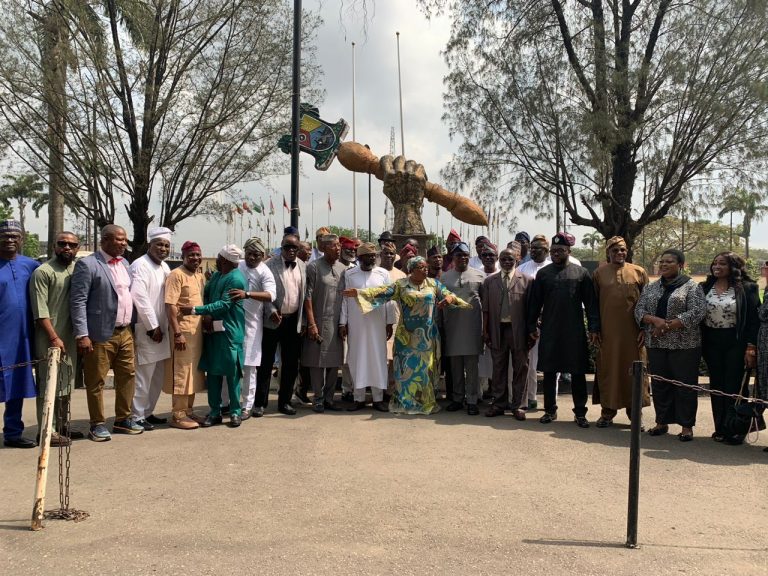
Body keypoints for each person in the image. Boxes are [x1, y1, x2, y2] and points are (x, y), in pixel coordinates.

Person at [343, 256, 470, 415]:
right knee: (405, 371)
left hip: (427, 337)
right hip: (405, 338)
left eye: (426, 267)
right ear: (412, 270)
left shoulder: (433, 283)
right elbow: (381, 292)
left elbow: (448, 294)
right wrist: (360, 292)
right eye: (421, 267)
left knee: (425, 371)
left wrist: (449, 298)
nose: (425, 269)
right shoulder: (401, 285)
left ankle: (425, 403)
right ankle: (405, 402)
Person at [71, 224, 143, 441]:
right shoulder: (88, 265)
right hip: (100, 334)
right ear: (104, 240)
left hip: (125, 332)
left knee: (128, 376)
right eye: (118, 239)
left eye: (124, 240)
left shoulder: (125, 264)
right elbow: (78, 301)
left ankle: (122, 419)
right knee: (96, 381)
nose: (123, 243)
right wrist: (82, 334)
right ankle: (97, 424)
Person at [527, 232, 599, 428]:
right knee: (549, 372)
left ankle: (580, 413)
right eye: (553, 251)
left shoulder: (581, 273)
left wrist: (593, 328)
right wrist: (531, 325)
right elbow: (535, 303)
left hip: (574, 331)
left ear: (569, 251)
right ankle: (550, 410)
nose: (555, 253)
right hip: (550, 329)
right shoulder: (543, 274)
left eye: (560, 250)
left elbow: (591, 304)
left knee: (577, 373)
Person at [635, 249, 706, 441]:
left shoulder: (692, 286)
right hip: (656, 343)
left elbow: (697, 312)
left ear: (680, 265)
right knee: (660, 384)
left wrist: (665, 326)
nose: (664, 265)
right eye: (661, 262)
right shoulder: (651, 287)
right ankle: (661, 422)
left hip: (685, 345)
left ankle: (686, 426)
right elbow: (639, 309)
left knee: (685, 386)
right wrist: (655, 321)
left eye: (669, 262)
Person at [181, 245, 247, 428]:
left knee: (232, 374)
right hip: (212, 332)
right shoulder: (218, 275)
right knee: (213, 374)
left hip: (229, 334)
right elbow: (208, 294)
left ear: (224, 260)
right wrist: (207, 315)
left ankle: (235, 412)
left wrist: (196, 310)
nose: (215, 261)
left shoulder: (236, 279)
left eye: (218, 258)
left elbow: (225, 305)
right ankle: (215, 412)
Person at [699, 252, 759, 444]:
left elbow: (753, 320)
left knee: (734, 385)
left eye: (722, 263)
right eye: (715, 262)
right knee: (717, 385)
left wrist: (751, 347)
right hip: (711, 342)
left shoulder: (748, 288)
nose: (717, 266)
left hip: (736, 342)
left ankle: (736, 429)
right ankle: (721, 428)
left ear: (733, 267)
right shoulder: (705, 287)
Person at [592, 236, 650, 428]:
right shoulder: (599, 273)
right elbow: (592, 303)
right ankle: (607, 413)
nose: (619, 253)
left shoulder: (639, 272)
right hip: (608, 334)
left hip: (634, 335)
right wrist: (594, 329)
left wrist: (644, 328)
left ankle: (635, 415)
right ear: (608, 252)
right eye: (615, 250)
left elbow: (648, 304)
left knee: (634, 372)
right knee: (609, 370)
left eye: (623, 250)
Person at [31, 231, 83, 446]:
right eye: (63, 244)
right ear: (54, 246)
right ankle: (46, 430)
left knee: (66, 382)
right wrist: (53, 337)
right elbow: (40, 311)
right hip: (50, 337)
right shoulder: (43, 272)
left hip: (72, 336)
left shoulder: (77, 269)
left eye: (72, 245)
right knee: (48, 383)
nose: (67, 248)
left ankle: (61, 426)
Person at [255, 233, 307, 416]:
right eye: (287, 247)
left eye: (295, 248)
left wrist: (305, 321)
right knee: (266, 363)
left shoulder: (303, 266)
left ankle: (284, 401)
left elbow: (304, 295)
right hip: (273, 319)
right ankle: (260, 403)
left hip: (293, 321)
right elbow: (262, 291)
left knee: (291, 363)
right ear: (281, 247)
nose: (292, 250)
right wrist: (271, 311)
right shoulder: (269, 265)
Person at [339, 242, 394, 411]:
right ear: (360, 258)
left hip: (378, 324)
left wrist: (389, 322)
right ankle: (359, 398)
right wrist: (343, 322)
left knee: (378, 359)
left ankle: (378, 399)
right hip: (357, 325)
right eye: (368, 256)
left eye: (373, 256)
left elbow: (389, 298)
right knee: (357, 358)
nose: (372, 259)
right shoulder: (350, 274)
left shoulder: (383, 274)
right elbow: (345, 300)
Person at [1, 219, 39, 448]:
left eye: (15, 236)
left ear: (21, 239)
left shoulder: (31, 266)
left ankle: (13, 433)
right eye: (5, 236)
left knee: (16, 384)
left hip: (22, 339)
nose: (10, 240)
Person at [129, 227, 172, 430]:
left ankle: (147, 412)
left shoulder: (165, 268)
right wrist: (152, 326)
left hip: (163, 330)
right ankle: (136, 416)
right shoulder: (140, 265)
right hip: (148, 330)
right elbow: (139, 297)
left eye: (166, 245)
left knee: (157, 375)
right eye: (159, 245)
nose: (163, 249)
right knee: (143, 375)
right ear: (150, 245)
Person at [228, 237, 276, 419]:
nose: (253, 257)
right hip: (232, 322)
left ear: (263, 256)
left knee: (249, 367)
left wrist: (246, 294)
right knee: (230, 365)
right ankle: (228, 403)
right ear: (245, 253)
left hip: (251, 327)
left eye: (257, 254)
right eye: (249, 253)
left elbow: (271, 294)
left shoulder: (265, 272)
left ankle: (247, 406)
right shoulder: (237, 266)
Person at [482, 248, 531, 418]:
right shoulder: (490, 281)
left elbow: (532, 311)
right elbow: (486, 310)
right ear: (499, 261)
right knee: (498, 368)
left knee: (520, 368)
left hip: (519, 330)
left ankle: (519, 406)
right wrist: (485, 331)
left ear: (517, 259)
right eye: (503, 259)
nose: (507, 262)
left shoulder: (527, 280)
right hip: (498, 330)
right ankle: (498, 404)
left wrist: (533, 332)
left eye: (510, 259)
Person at [164, 241, 207, 429]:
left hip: (196, 332)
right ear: (183, 256)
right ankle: (178, 414)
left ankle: (189, 411)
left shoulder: (198, 275)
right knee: (182, 372)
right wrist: (177, 333)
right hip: (182, 332)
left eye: (198, 255)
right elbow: (170, 306)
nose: (195, 258)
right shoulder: (176, 275)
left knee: (194, 372)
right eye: (191, 255)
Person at [440, 242, 485, 415]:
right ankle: (458, 398)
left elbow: (485, 305)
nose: (463, 258)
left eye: (466, 255)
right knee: (455, 365)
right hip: (452, 327)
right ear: (453, 257)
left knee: (472, 366)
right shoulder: (444, 278)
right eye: (459, 255)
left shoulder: (479, 276)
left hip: (473, 327)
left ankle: (472, 400)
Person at [303, 234, 346, 412]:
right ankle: (318, 398)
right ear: (324, 248)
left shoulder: (343, 268)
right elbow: (307, 297)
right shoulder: (313, 267)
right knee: (317, 362)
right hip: (318, 321)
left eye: (339, 246)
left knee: (334, 362)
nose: (338, 249)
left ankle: (329, 398)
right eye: (334, 246)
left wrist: (344, 323)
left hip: (337, 322)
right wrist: (311, 324)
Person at [518, 235, 549, 410]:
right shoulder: (522, 269)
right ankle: (530, 396)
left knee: (551, 362)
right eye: (533, 248)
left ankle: (551, 402)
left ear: (547, 251)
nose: (535, 251)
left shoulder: (554, 268)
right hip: (530, 324)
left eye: (539, 248)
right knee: (530, 362)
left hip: (551, 322)